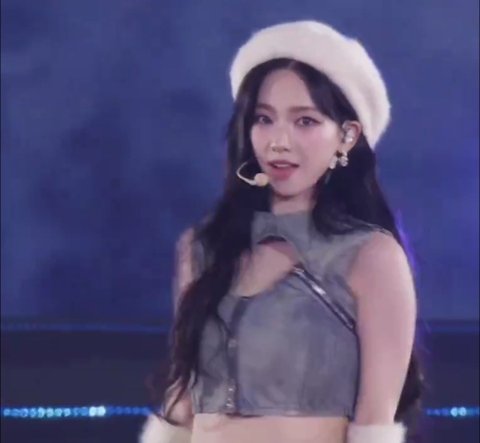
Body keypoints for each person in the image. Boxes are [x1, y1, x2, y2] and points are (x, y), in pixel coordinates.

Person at [140, 20, 423, 443]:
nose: (279, 142)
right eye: (264, 119)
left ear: (347, 136)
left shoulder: (371, 256)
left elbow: (374, 422)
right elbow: (182, 401)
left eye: (304, 121)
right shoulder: (203, 247)